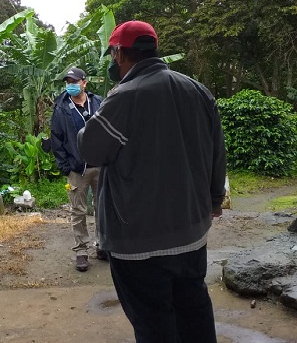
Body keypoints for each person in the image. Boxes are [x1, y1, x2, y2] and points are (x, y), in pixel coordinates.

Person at [78, 20, 226, 342]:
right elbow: (217, 154)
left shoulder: (124, 97)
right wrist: (213, 202)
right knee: (195, 312)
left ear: (119, 54)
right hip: (191, 234)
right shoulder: (198, 91)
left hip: (139, 243)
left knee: (154, 324)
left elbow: (90, 148)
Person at [50, 67, 106, 272]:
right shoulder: (61, 108)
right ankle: (81, 251)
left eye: (74, 81)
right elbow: (57, 138)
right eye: (67, 82)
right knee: (78, 211)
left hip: (100, 165)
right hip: (77, 169)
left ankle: (102, 245)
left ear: (84, 82)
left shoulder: (98, 102)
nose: (70, 85)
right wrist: (65, 166)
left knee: (102, 208)